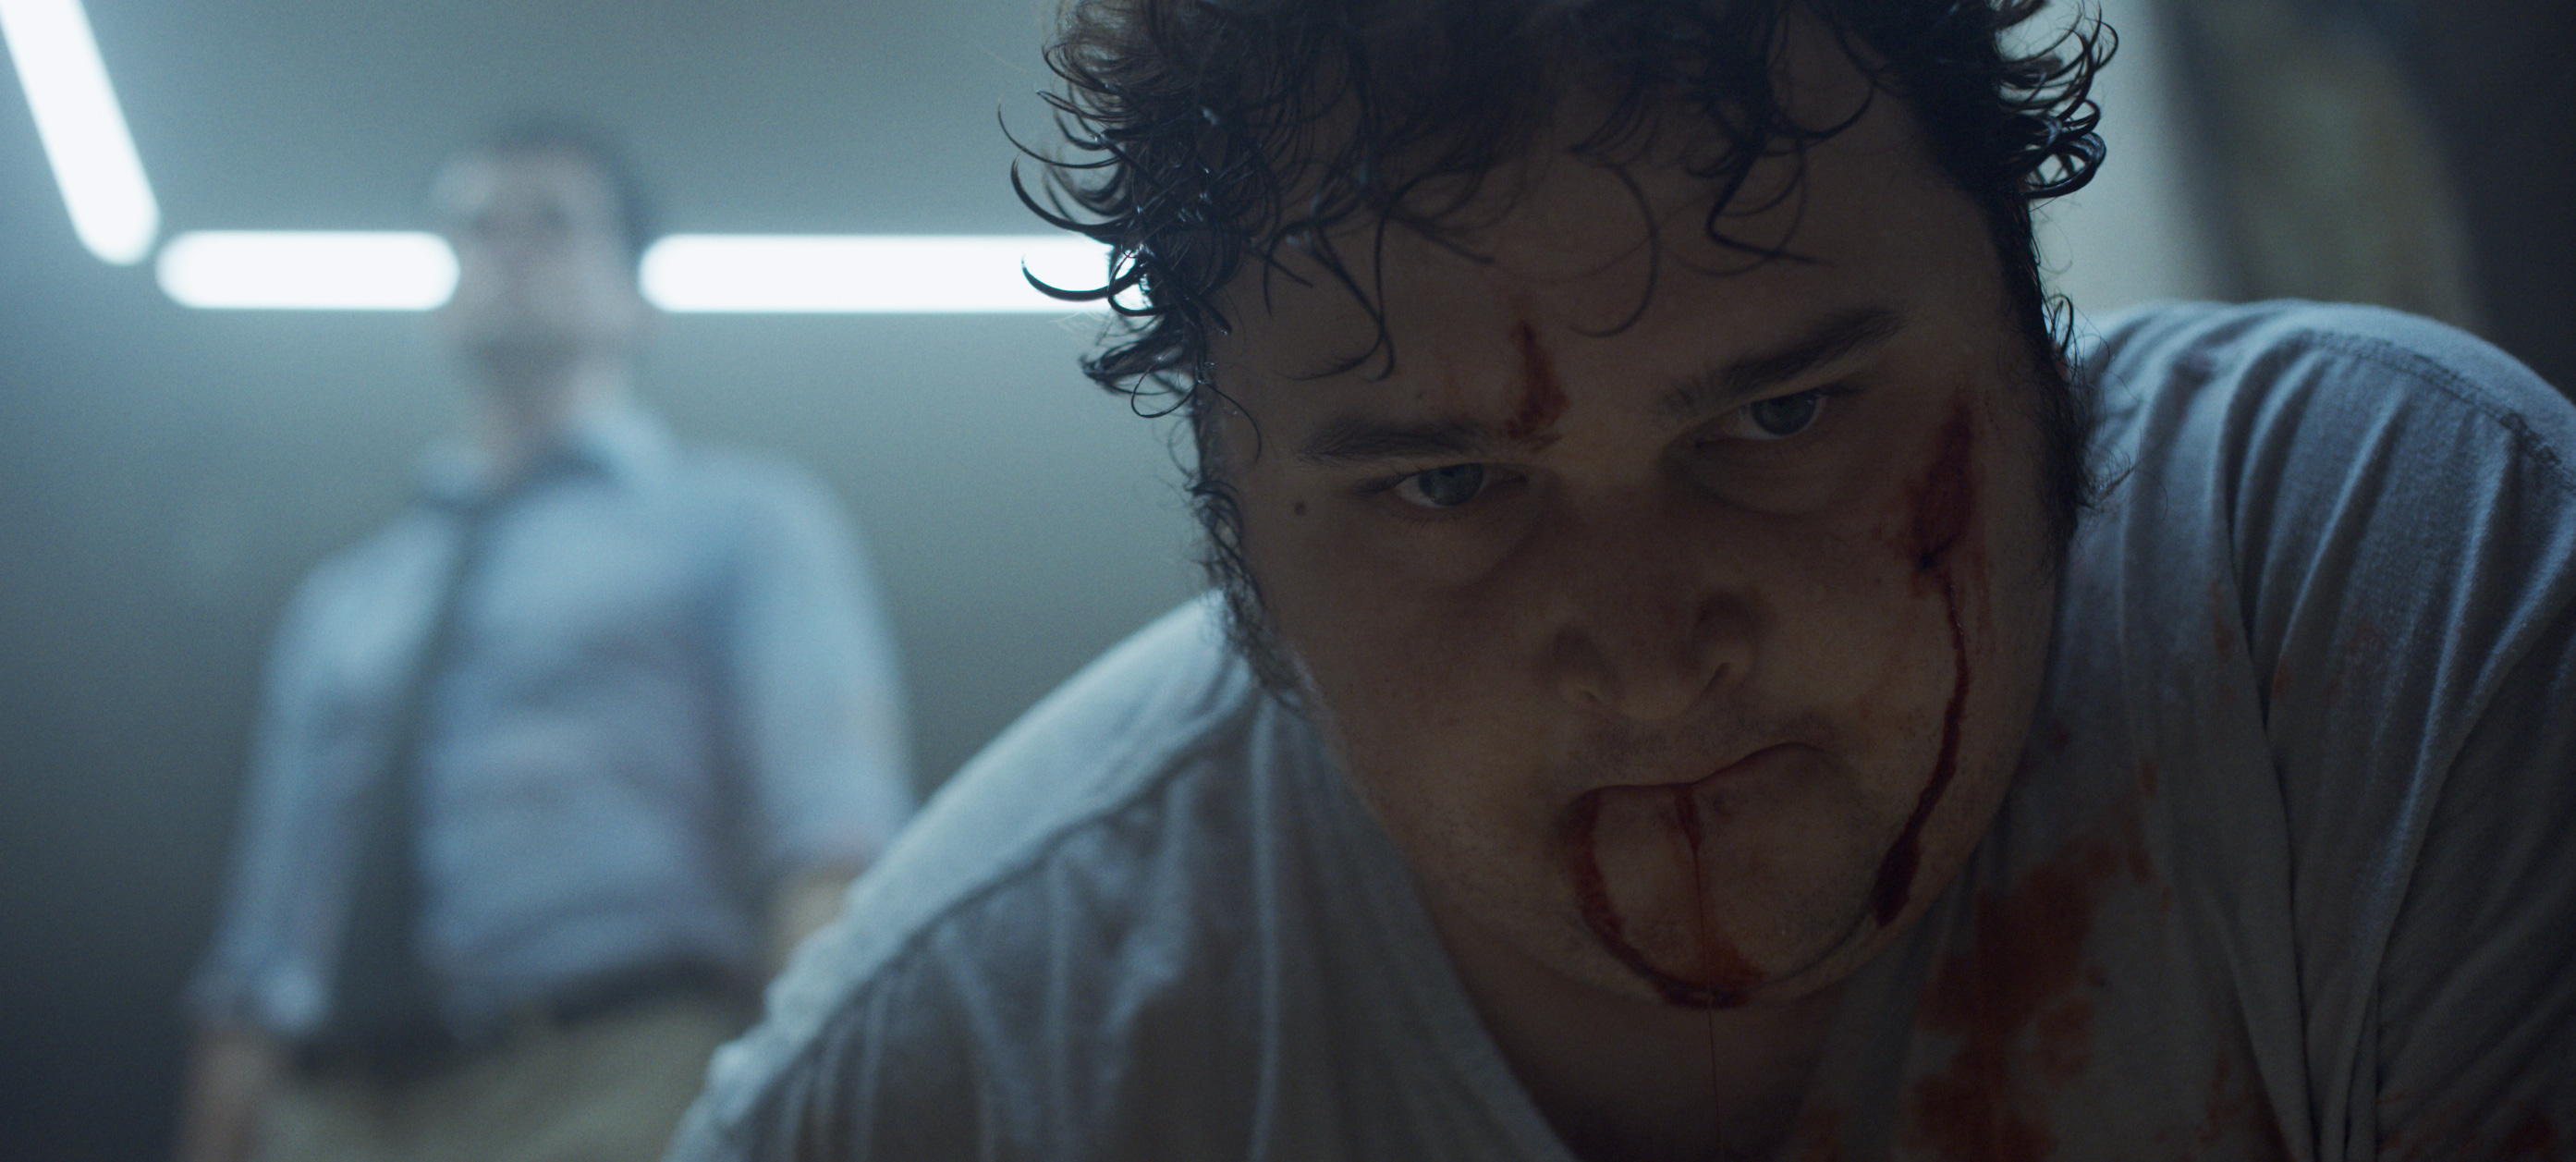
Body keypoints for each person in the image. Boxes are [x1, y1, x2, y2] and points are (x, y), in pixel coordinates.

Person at [667, 1, 2576, 1158]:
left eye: (1780, 417)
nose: (1655, 662)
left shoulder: (2386, 590)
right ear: (1233, 543)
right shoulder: (958, 1067)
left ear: (2033, 340)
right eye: (1443, 484)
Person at [173, 121, 915, 1162]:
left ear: (639, 300)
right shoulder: (345, 604)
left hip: (612, 1079)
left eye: (554, 224)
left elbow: (827, 835)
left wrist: (827, 1111)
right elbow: (262, 949)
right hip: (332, 1113)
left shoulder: (743, 523)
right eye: (474, 229)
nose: (507, 250)